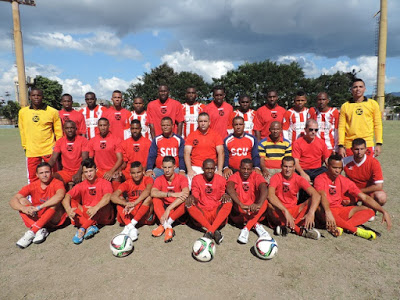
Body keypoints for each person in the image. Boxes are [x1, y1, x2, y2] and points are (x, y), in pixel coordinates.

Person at [315, 154, 391, 240]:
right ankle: (355, 230)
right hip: (326, 210)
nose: (337, 171)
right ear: (328, 166)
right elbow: (322, 196)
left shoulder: (344, 180)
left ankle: (342, 227)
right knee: (320, 209)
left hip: (339, 210)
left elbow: (364, 197)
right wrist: (328, 212)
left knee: (370, 211)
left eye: (339, 168)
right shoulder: (320, 179)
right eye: (334, 168)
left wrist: (383, 211)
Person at [10, 162, 66, 248]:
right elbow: (13, 200)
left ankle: (33, 231)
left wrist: (39, 207)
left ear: (51, 172)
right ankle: (40, 229)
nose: (44, 175)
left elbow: (60, 196)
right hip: (38, 216)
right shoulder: (33, 185)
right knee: (21, 201)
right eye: (41, 173)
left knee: (55, 202)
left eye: (47, 172)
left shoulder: (57, 183)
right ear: (37, 175)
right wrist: (23, 208)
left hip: (54, 218)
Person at [266, 156, 321, 239]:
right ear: (281, 167)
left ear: (294, 167)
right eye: (285, 166)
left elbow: (316, 195)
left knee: (312, 200)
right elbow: (270, 195)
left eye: (290, 167)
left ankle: (286, 227)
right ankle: (298, 230)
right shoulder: (276, 177)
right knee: (268, 204)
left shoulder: (299, 179)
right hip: (279, 211)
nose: (287, 169)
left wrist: (311, 212)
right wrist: (285, 211)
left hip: (293, 212)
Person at [62, 158, 115, 244]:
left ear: (96, 170)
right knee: (71, 200)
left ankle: (82, 229)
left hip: (101, 213)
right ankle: (91, 226)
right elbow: (67, 196)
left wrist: (95, 208)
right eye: (86, 172)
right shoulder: (81, 185)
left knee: (105, 203)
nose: (89, 174)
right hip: (88, 213)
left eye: (91, 171)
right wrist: (68, 210)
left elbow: (108, 196)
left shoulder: (105, 183)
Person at [18, 88, 63, 183]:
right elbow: (22, 130)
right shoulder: (23, 112)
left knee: (52, 174)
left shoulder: (52, 111)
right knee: (33, 177)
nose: (36, 97)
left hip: (48, 149)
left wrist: (58, 148)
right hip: (32, 150)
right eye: (33, 95)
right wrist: (25, 146)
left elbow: (59, 132)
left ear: (43, 97)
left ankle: (53, 194)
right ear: (30, 97)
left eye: (38, 95)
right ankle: (34, 197)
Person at [186, 159, 232, 244]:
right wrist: (192, 197)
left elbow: (222, 194)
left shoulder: (221, 179)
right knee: (189, 204)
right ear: (202, 168)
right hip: (203, 213)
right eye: (207, 168)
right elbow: (195, 196)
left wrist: (225, 195)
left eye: (211, 168)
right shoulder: (196, 179)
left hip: (216, 214)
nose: (209, 171)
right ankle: (213, 230)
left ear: (215, 169)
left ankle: (209, 231)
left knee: (229, 201)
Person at [226, 159, 272, 244]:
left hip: (254, 210)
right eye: (243, 168)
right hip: (241, 212)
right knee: (233, 201)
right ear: (239, 168)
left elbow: (264, 188)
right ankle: (256, 224)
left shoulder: (256, 176)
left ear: (252, 169)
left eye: (248, 169)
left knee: (265, 202)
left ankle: (246, 228)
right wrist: (240, 204)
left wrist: (258, 204)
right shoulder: (235, 176)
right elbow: (229, 187)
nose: (246, 171)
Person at [338, 78, 383, 157]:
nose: (358, 89)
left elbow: (378, 125)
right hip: (350, 145)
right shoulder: (345, 106)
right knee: (351, 169)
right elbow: (341, 127)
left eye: (360, 86)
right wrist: (341, 145)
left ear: (365, 89)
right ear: (351, 89)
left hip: (367, 143)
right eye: (355, 87)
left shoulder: (373, 104)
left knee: (367, 168)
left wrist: (378, 143)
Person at [111, 161, 154, 241]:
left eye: (139, 172)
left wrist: (135, 203)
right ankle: (131, 227)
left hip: (144, 213)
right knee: (119, 200)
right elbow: (113, 196)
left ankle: (130, 225)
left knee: (149, 198)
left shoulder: (148, 179)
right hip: (131, 211)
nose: (136, 175)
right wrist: (125, 203)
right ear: (130, 174)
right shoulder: (127, 183)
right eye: (134, 173)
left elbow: (148, 191)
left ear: (143, 172)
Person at [150, 156, 189, 243]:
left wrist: (169, 208)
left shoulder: (182, 178)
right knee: (155, 199)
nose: (167, 170)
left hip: (176, 208)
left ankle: (164, 225)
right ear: (162, 167)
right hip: (164, 208)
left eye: (169, 167)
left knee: (186, 201)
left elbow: (186, 193)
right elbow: (153, 192)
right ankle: (167, 227)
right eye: (165, 167)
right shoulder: (159, 179)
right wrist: (170, 194)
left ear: (174, 167)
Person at [343, 138, 387, 206]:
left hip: (368, 192)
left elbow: (379, 186)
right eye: (356, 149)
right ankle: (355, 206)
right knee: (344, 201)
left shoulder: (373, 163)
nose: (359, 152)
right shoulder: (345, 161)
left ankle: (370, 208)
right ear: (351, 149)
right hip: (352, 191)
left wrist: (358, 191)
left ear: (366, 149)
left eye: (362, 149)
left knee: (381, 197)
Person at [184, 112, 224, 181]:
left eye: (205, 121)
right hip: (196, 167)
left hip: (211, 167)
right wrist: (190, 170)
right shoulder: (192, 135)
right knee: (190, 184)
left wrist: (219, 170)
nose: (203, 123)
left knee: (219, 183)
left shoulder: (216, 135)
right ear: (198, 122)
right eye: (201, 121)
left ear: (209, 122)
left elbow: (221, 152)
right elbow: (186, 153)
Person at [48, 120, 89, 187]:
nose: (69, 130)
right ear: (63, 130)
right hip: (66, 172)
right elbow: (53, 159)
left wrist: (79, 173)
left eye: (72, 128)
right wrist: (45, 169)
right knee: (50, 177)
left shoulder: (83, 140)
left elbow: (85, 159)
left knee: (86, 178)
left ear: (76, 129)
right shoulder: (60, 141)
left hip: (80, 170)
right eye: (67, 128)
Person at [88, 118, 123, 190]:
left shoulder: (116, 139)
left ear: (109, 126)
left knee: (116, 177)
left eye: (104, 125)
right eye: (100, 125)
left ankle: (117, 198)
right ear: (98, 126)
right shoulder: (93, 140)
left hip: (112, 169)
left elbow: (120, 159)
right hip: (99, 171)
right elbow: (90, 159)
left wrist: (111, 171)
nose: (103, 128)